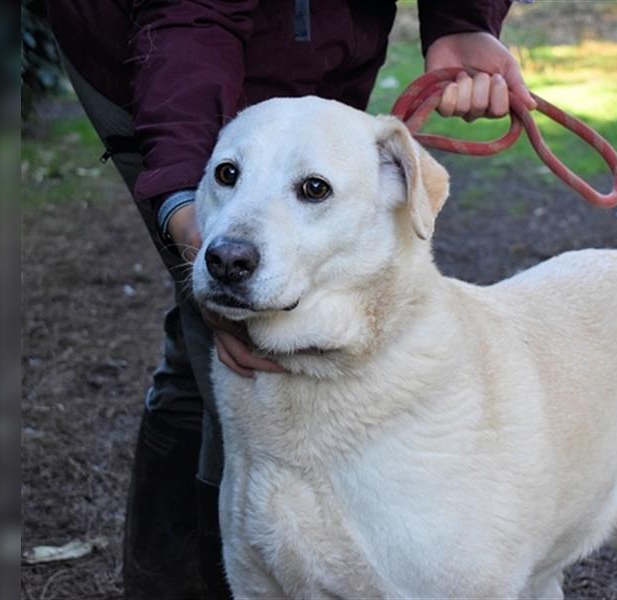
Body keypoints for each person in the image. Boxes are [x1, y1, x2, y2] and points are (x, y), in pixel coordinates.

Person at [47, 1, 533, 597]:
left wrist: (461, 18)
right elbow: (188, 24)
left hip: (327, 37)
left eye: (313, 188)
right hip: (156, 44)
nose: (235, 245)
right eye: (225, 179)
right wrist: (182, 207)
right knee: (218, 335)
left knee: (277, 281)